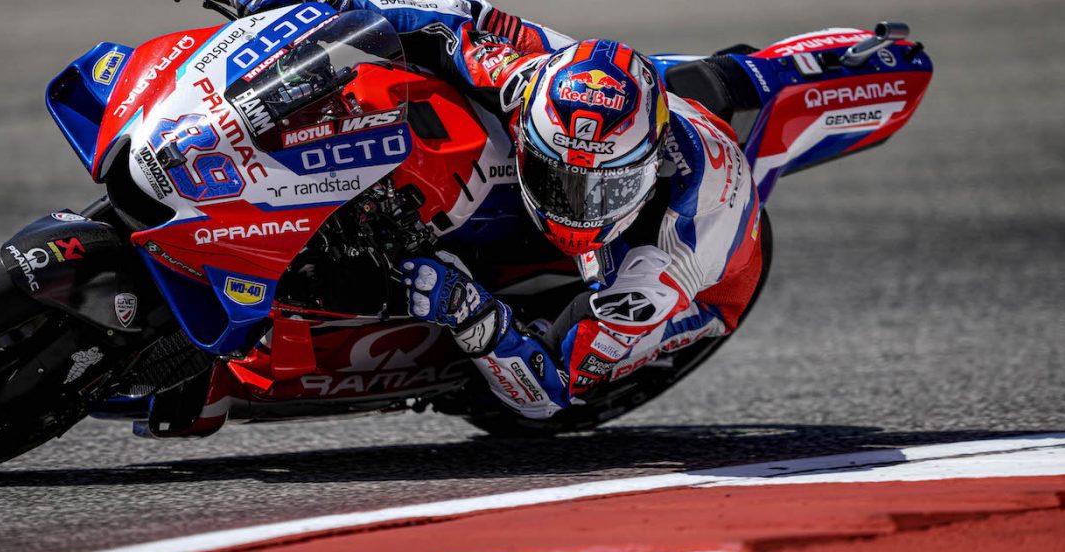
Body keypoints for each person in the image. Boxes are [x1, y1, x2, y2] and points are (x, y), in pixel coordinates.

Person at [239, 0, 764, 419]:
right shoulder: (524, 78)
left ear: (649, 166)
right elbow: (438, 14)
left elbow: (549, 394)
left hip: (701, 289)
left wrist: (471, 314)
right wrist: (301, 11)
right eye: (556, 180)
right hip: (623, 101)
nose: (576, 208)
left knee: (511, 395)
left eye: (603, 191)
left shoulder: (669, 259)